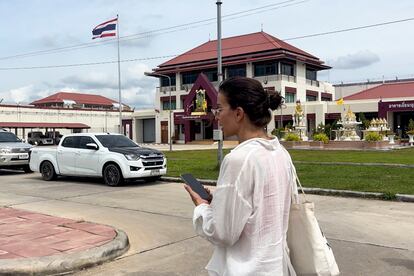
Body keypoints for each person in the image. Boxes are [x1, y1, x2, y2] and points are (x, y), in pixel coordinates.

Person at [184, 77, 297, 276]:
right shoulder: (280, 153)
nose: (216, 116)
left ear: (238, 113)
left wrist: (202, 206)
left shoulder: (239, 159)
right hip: (276, 267)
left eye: (220, 108)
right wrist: (217, 204)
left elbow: (223, 232)